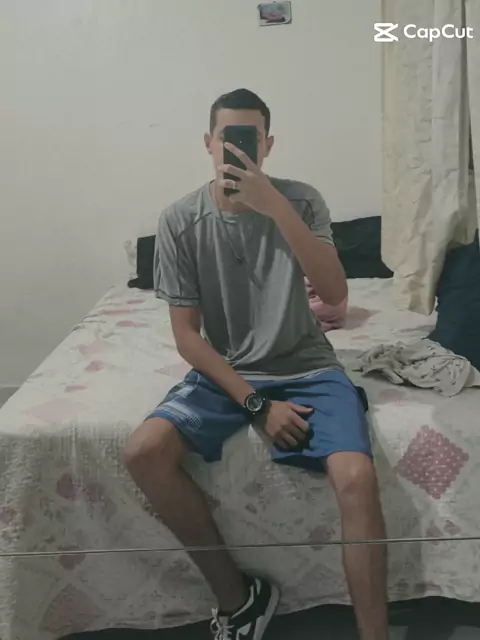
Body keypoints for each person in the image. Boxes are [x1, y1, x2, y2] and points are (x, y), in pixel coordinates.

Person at [124, 88, 388, 640]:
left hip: (308, 364)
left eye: (252, 139)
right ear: (208, 143)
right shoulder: (179, 220)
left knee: (358, 477)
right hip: (229, 370)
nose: (240, 150)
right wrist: (257, 404)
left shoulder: (303, 201)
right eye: (229, 138)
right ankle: (238, 600)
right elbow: (187, 337)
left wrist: (276, 209)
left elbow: (335, 294)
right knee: (144, 452)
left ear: (268, 145)